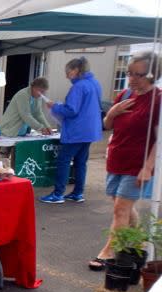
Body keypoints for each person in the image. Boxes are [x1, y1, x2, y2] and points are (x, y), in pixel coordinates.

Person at [89, 51, 160, 270]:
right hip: (116, 158)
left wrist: (148, 167)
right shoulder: (125, 95)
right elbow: (108, 125)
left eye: (137, 75)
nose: (131, 79)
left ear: (152, 74)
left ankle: (109, 252)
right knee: (122, 206)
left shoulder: (157, 100)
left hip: (137, 164)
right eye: (129, 73)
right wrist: (112, 112)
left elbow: (159, 138)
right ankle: (139, 243)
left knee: (120, 209)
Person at [40, 57, 102, 204]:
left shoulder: (79, 86)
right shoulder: (95, 83)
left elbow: (71, 110)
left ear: (76, 70)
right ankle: (77, 193)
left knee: (64, 160)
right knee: (81, 162)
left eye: (68, 72)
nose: (66, 75)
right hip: (90, 130)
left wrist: (55, 106)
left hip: (76, 131)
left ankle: (58, 194)